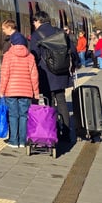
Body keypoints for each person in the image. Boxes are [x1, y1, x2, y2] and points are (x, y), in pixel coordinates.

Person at [28, 11, 73, 143]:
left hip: (46, 75)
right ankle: (66, 133)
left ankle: (51, 132)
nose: (34, 25)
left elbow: (34, 56)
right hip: (61, 73)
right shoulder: (60, 32)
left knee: (49, 103)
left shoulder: (36, 35)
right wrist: (74, 65)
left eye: (34, 22)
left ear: (38, 21)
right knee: (62, 102)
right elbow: (72, 51)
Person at [0, 34, 40, 149]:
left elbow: (4, 75)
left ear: (12, 44)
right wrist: (35, 92)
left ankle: (13, 141)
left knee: (13, 115)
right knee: (24, 115)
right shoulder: (30, 56)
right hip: (26, 92)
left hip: (11, 91)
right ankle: (22, 141)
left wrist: (1, 90)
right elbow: (34, 76)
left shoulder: (7, 56)